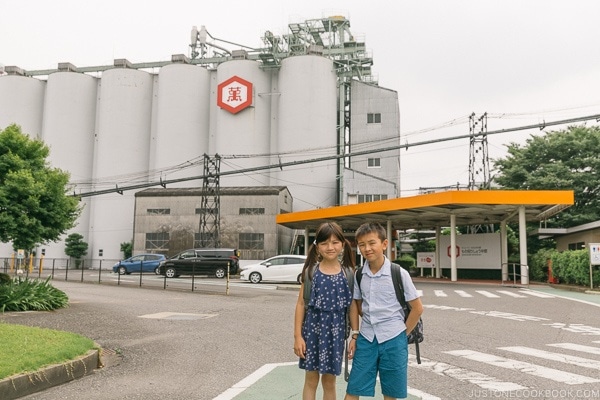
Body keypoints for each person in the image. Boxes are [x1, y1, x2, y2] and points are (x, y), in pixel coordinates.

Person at [345, 222, 424, 400]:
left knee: (391, 393)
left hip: (394, 338)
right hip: (366, 338)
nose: (367, 248)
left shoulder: (398, 273)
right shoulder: (359, 274)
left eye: (372, 243)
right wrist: (355, 334)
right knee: (353, 389)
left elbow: (417, 308)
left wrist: (402, 336)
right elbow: (355, 305)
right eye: (362, 245)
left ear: (384, 244)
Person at [294, 221, 356, 400]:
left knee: (329, 383)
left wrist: (355, 335)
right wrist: (298, 337)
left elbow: (352, 305)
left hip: (335, 336)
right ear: (317, 246)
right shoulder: (311, 272)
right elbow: (300, 305)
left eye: (335, 242)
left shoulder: (348, 274)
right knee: (311, 380)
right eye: (324, 243)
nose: (330, 247)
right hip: (311, 334)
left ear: (343, 245)